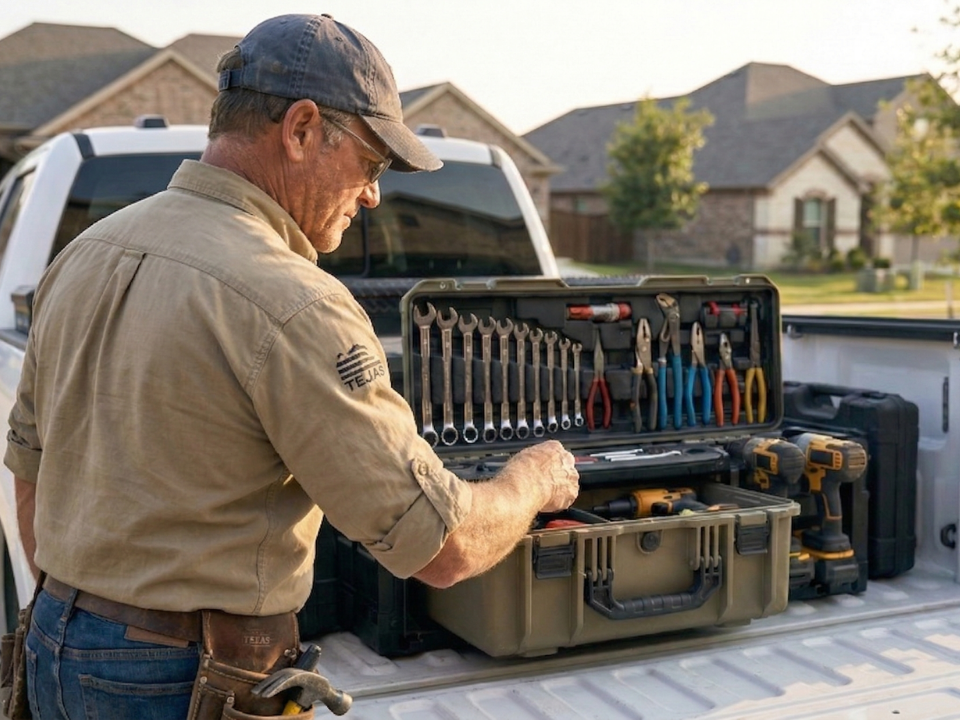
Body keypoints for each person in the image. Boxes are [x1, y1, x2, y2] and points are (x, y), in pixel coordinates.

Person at [4, 13, 579, 720]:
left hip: (54, 642)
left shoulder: (86, 252)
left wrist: (87, 622)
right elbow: (443, 546)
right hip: (180, 679)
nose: (373, 195)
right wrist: (533, 480)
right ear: (301, 128)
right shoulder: (292, 300)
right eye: (370, 164)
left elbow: (28, 472)